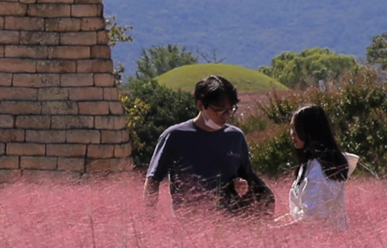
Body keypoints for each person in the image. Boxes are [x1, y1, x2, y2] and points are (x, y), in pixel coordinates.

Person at [144, 75, 270, 214]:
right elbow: (153, 181)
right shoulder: (175, 136)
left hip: (232, 226)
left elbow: (248, 177)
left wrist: (241, 184)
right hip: (188, 225)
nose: (226, 115)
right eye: (219, 110)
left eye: (231, 109)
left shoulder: (236, 137)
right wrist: (149, 218)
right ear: (200, 105)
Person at [283, 103, 351, 229]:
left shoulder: (318, 168)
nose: (292, 134)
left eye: (296, 128)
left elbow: (314, 217)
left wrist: (281, 230)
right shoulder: (310, 165)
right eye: (291, 128)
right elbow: (299, 213)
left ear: (310, 130)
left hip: (325, 239)